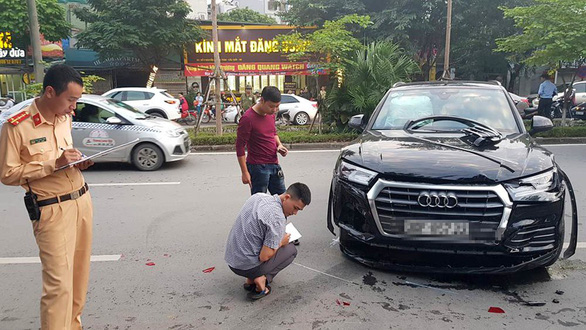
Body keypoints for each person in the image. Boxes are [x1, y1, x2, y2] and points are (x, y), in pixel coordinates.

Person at [0, 64, 94, 329]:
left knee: (78, 278)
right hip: (51, 210)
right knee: (58, 286)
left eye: (77, 100)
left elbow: (65, 155)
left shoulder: (65, 118)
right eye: (71, 99)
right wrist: (52, 163)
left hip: (81, 201)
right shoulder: (17, 126)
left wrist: (76, 161)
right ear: (50, 92)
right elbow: (7, 174)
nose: (73, 107)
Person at [225, 182, 311, 300]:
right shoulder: (277, 218)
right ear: (287, 197)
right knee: (291, 250)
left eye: (298, 210)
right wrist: (281, 242)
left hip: (232, 259)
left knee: (270, 242)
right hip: (245, 266)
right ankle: (261, 279)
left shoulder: (258, 196)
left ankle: (250, 279)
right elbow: (264, 257)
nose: (295, 213)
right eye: (295, 208)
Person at [236, 86, 288, 196]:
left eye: (277, 106)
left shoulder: (271, 115)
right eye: (271, 106)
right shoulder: (248, 118)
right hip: (258, 168)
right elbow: (240, 146)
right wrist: (245, 172)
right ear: (262, 100)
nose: (274, 110)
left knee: (283, 200)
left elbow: (273, 133)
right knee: (259, 204)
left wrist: (279, 145)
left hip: (274, 164)